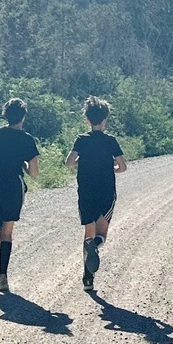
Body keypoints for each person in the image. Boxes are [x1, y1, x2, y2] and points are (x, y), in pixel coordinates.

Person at [0, 98, 39, 293]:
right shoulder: (27, 139)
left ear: (5, 115)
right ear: (23, 117)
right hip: (13, 186)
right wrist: (25, 165)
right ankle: (2, 278)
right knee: (7, 232)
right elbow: (34, 172)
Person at [65, 96, 127, 291]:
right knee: (101, 234)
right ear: (105, 120)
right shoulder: (111, 141)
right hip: (106, 191)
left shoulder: (81, 140)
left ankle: (88, 279)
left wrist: (80, 162)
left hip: (86, 190)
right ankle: (95, 248)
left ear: (87, 119)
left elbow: (68, 162)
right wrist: (113, 169)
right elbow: (123, 166)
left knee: (88, 233)